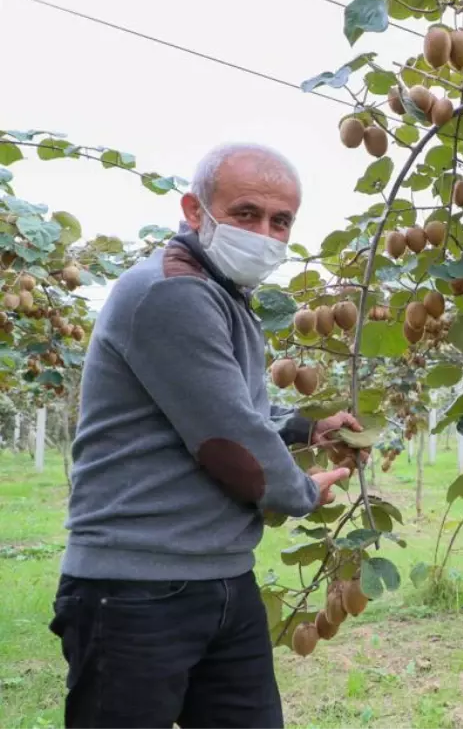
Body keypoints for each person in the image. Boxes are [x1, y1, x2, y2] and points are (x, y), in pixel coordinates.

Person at [51, 143, 366, 728]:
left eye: (281, 221)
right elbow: (230, 439)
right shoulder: (173, 291)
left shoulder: (219, 292)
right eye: (246, 214)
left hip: (220, 576)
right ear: (195, 211)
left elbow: (228, 403)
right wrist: (300, 491)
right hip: (134, 589)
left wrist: (304, 426)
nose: (266, 233)